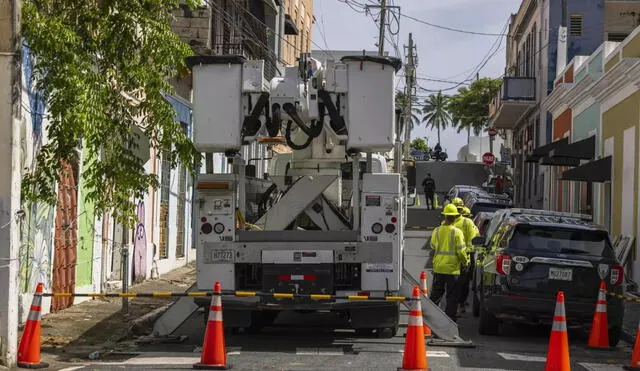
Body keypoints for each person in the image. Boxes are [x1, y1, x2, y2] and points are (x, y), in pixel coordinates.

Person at [429, 204, 469, 322]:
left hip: (438, 267)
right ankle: (449, 321)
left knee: (436, 295)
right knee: (452, 297)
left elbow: (432, 245)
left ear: (445, 216)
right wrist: (465, 262)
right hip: (452, 270)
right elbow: (461, 251)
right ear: (455, 217)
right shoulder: (457, 232)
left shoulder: (436, 231)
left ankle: (431, 320)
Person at [455, 205, 480, 314]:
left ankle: (455, 304)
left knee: (456, 283)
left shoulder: (453, 223)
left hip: (455, 257)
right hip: (466, 255)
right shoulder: (470, 224)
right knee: (464, 282)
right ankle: (461, 304)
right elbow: (475, 239)